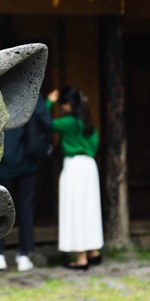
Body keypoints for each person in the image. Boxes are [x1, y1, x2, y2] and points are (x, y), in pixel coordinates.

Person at [0, 95, 51, 273]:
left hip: (2, 163)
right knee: (26, 208)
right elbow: (46, 121)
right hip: (27, 163)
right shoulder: (32, 95)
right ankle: (24, 255)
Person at [47, 86, 104, 270]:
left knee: (76, 209)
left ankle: (81, 258)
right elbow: (95, 145)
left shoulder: (69, 123)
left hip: (74, 167)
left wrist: (49, 103)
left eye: (63, 104)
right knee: (90, 209)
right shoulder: (88, 123)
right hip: (90, 166)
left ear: (69, 104)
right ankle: (94, 252)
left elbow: (46, 123)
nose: (62, 107)